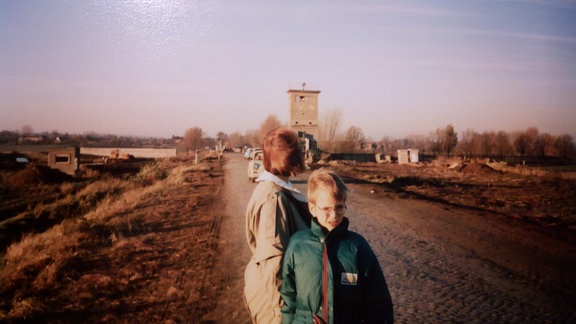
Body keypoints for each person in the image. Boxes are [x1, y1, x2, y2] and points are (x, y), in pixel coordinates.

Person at [280, 169, 394, 324]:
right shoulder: (297, 246)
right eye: (326, 209)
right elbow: (289, 299)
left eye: (339, 207)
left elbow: (378, 303)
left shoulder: (357, 247)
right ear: (312, 208)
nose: (334, 215)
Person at [244, 127, 312, 324]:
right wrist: (282, 315)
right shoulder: (273, 199)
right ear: (291, 159)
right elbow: (274, 262)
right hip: (275, 305)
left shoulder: (274, 190)